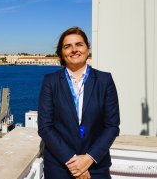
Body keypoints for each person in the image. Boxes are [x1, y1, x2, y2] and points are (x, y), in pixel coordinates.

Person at [38, 27, 120, 179]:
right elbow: (45, 127)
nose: (74, 50)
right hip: (59, 167)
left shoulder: (105, 80)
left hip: (95, 166)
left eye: (79, 44)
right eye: (67, 46)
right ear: (62, 53)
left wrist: (88, 158)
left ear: (87, 49)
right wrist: (73, 162)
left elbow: (112, 126)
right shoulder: (50, 81)